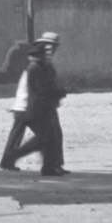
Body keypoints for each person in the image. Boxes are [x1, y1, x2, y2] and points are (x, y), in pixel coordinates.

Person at [2, 43, 65, 176]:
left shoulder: (35, 67)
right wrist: (59, 92)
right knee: (44, 138)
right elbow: (42, 89)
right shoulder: (35, 68)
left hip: (30, 108)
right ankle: (15, 155)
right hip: (32, 108)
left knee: (46, 138)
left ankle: (49, 167)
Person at [35, 31, 69, 174]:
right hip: (42, 104)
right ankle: (50, 165)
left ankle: (56, 163)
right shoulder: (39, 61)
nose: (52, 48)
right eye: (50, 45)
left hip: (49, 103)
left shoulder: (46, 61)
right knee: (50, 135)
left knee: (56, 134)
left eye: (54, 46)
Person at [0, 63, 29, 171]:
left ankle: (6, 162)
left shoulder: (26, 72)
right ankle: (52, 163)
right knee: (45, 136)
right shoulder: (34, 71)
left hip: (20, 108)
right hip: (25, 108)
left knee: (15, 137)